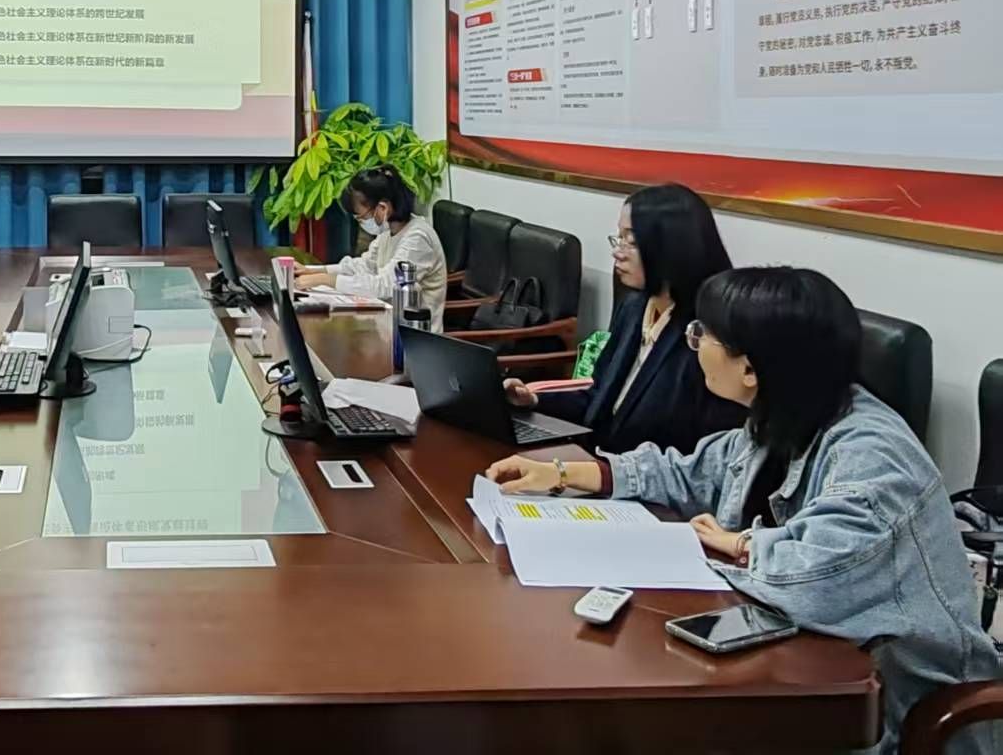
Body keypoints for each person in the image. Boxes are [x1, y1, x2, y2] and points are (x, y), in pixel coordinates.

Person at [488, 268, 1001, 755]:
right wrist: (567, 473)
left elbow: (815, 580)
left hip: (892, 716)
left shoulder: (872, 456)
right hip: (788, 670)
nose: (692, 343)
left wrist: (740, 543)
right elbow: (694, 471)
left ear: (751, 368)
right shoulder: (786, 415)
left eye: (701, 335)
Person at [504, 183, 744, 454]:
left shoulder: (707, 333)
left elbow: (704, 449)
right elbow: (598, 397)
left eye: (632, 242)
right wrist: (534, 399)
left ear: (672, 246)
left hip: (646, 473)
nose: (618, 252)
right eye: (619, 238)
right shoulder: (634, 306)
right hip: (596, 460)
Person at [293, 166, 447, 312]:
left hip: (412, 328)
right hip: (385, 318)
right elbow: (364, 266)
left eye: (361, 216)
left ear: (382, 208)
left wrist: (325, 279)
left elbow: (386, 287)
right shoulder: (388, 231)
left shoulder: (418, 238)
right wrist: (313, 271)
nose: (361, 222)